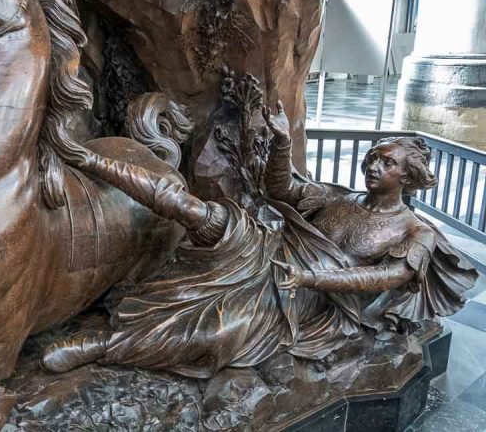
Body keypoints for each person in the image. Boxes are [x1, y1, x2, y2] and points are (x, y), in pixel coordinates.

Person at [41, 102, 477, 379]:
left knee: (221, 328)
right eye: (372, 158)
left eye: (387, 162)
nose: (373, 166)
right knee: (200, 212)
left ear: (409, 176)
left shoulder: (415, 232)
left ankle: (103, 347)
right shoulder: (337, 196)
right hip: (270, 248)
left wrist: (309, 280)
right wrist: (283, 142)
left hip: (308, 294)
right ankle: (87, 157)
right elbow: (282, 190)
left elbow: (385, 277)